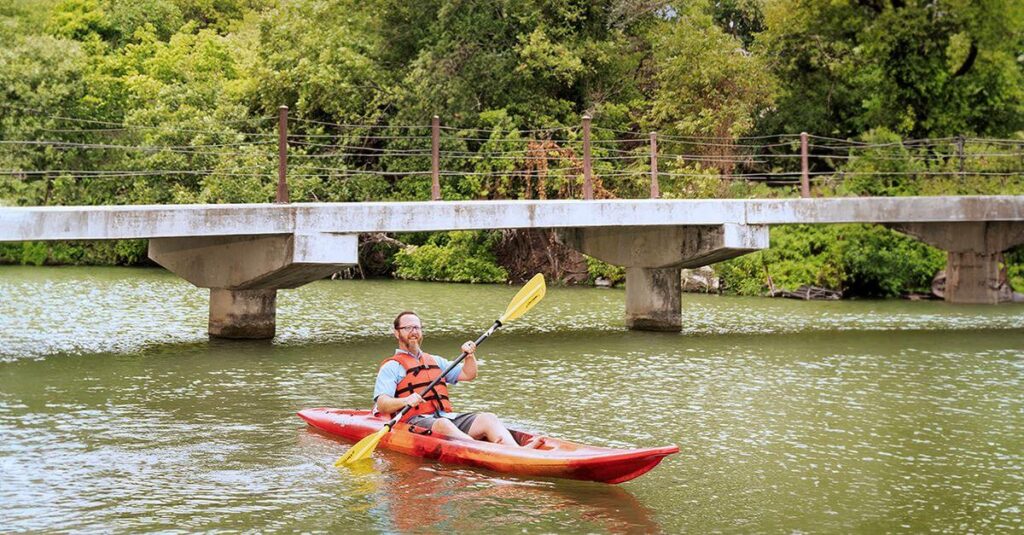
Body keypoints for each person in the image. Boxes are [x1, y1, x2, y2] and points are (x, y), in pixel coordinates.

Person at [373, 310, 544, 448]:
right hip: (413, 421)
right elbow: (382, 403)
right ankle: (487, 450)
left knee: (488, 418)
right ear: (396, 333)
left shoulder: (435, 361)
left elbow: (468, 375)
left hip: (445, 416)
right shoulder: (391, 367)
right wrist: (406, 400)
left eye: (417, 328)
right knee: (443, 425)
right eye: (408, 328)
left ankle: (517, 451)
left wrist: (469, 356)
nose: (414, 332)